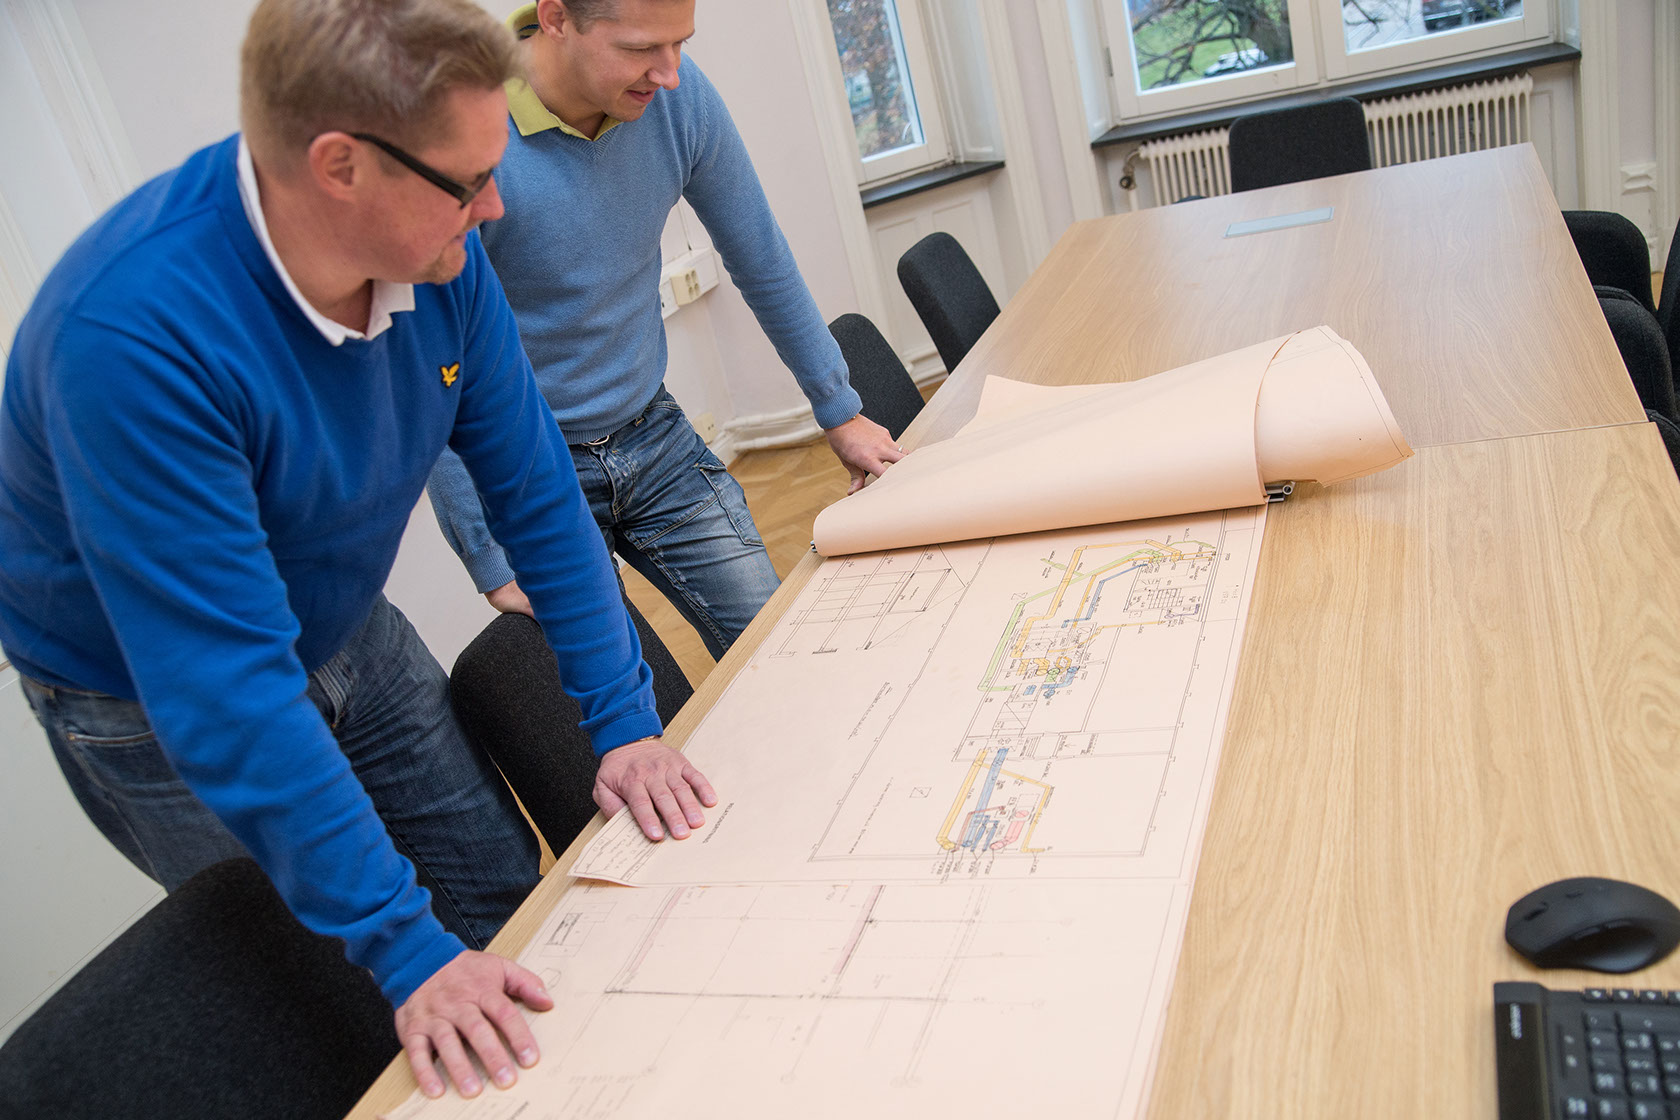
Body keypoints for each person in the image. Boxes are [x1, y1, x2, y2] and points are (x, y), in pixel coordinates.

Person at [0, 0, 713, 1099]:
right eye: (468, 182)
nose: (496, 204)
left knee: (499, 899)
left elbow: (535, 493)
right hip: (150, 696)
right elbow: (230, 691)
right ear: (339, 166)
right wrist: (403, 948)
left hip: (345, 619)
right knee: (344, 993)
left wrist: (623, 720)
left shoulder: (439, 251)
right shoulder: (129, 341)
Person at [426, 0, 903, 659]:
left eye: (681, 44)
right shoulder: (465, 134)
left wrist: (839, 409)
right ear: (557, 18)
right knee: (618, 686)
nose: (670, 73)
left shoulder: (677, 98)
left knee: (776, 648)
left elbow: (760, 255)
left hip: (654, 434)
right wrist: (485, 547)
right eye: (640, 48)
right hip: (527, 466)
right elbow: (430, 364)